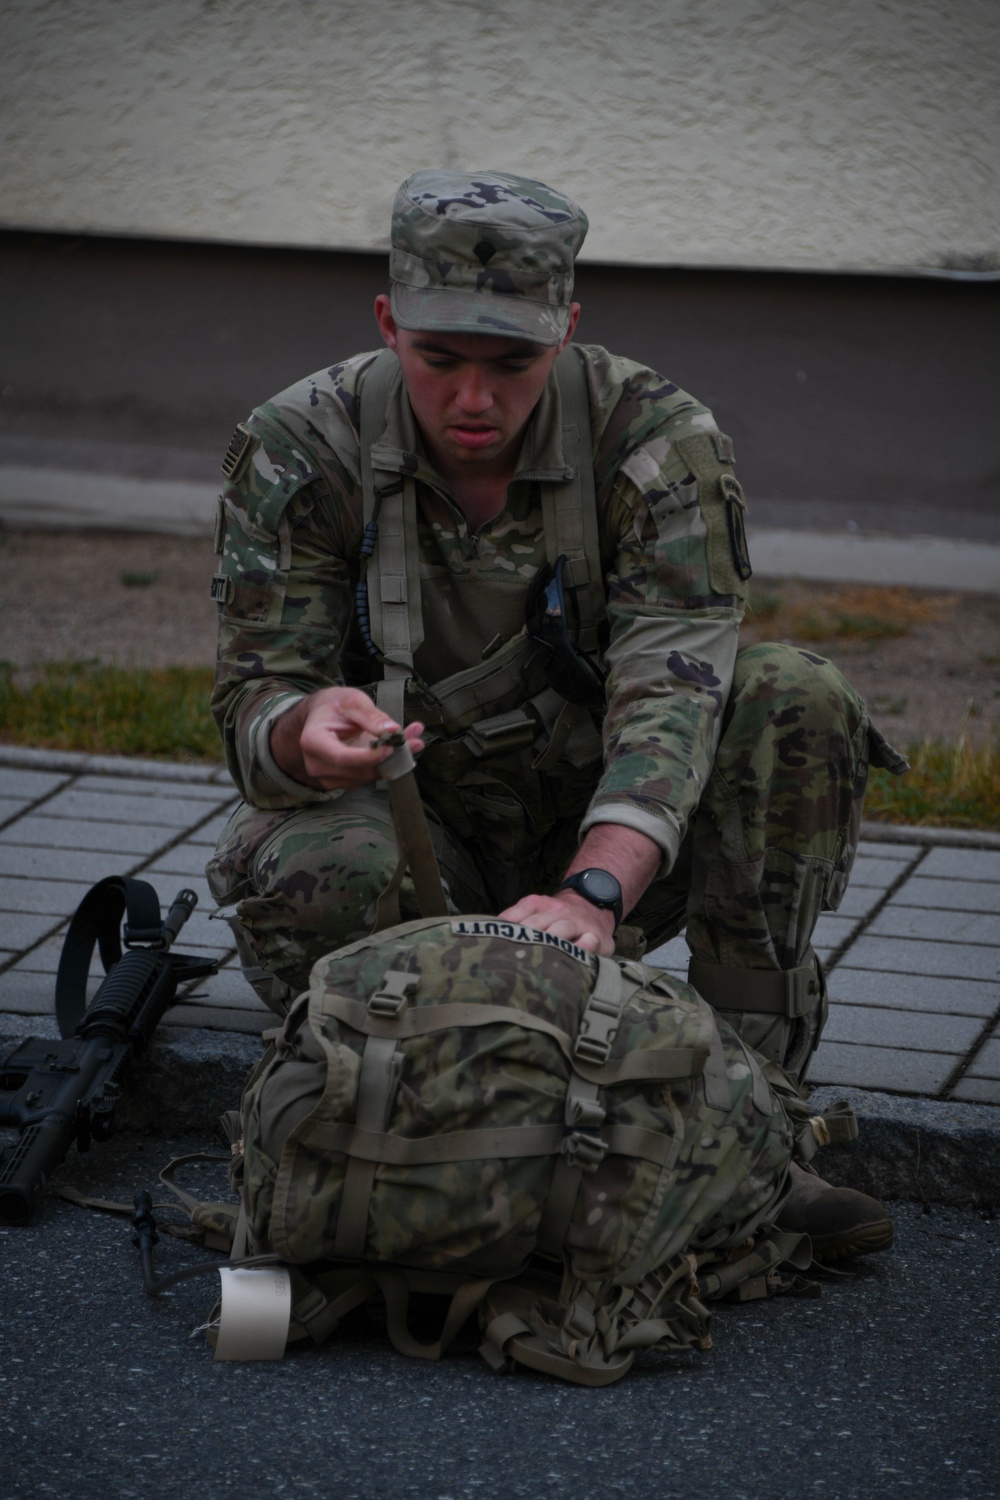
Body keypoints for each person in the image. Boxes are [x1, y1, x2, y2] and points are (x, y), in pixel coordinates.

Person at [206, 169, 906, 1258]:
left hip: (606, 839)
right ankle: (379, 1106)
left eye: (512, 364)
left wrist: (595, 887)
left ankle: (749, 1131)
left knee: (795, 700)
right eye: (439, 361)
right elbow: (250, 695)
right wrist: (302, 731)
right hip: (407, 836)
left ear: (568, 330)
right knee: (314, 868)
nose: (473, 400)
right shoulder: (303, 443)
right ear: (388, 323)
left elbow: (678, 690)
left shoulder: (656, 440)